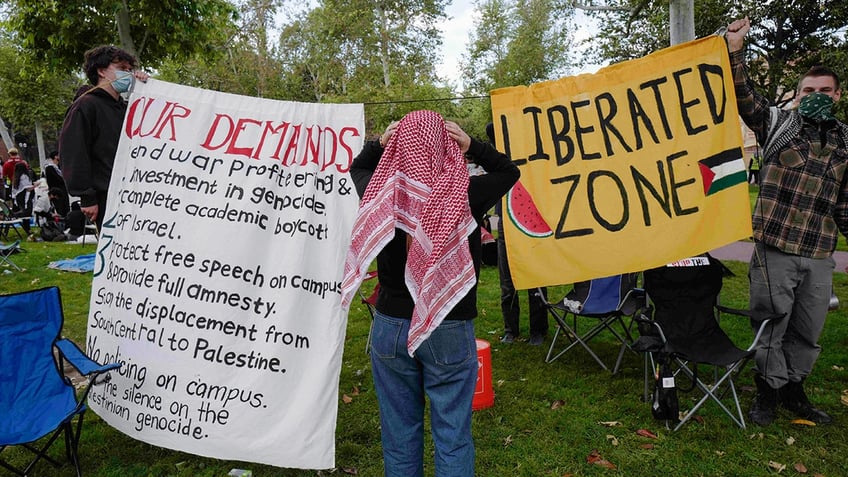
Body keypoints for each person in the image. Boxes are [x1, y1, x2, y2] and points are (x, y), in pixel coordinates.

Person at [341, 110, 519, 476]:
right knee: (452, 434)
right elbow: (508, 171)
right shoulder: (466, 192)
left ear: (399, 148)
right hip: (449, 324)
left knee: (399, 433)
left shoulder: (381, 191)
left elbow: (356, 168)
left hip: (390, 325)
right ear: (446, 144)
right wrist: (473, 146)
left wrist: (380, 144)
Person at [726, 17, 848, 426]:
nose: (816, 96)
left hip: (819, 253)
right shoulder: (777, 123)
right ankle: (767, 391)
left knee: (807, 330)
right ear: (798, 95)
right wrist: (735, 47)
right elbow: (745, 96)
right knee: (770, 325)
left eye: (824, 91)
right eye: (809, 91)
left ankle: (795, 389)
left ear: (837, 94)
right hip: (774, 249)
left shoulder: (846, 141)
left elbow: (844, 202)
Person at [59, 45, 148, 230]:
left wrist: (148, 88)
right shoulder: (85, 106)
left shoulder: (125, 108)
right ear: (101, 71)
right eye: (121, 68)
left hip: (131, 194)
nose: (128, 74)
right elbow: (74, 152)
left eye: (130, 69)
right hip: (105, 196)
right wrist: (87, 197)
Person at [485, 123, 549, 345]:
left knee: (536, 277)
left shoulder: (531, 151)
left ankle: (538, 330)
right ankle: (510, 330)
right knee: (507, 282)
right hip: (505, 221)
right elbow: (490, 127)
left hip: (533, 219)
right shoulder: (497, 155)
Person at [10, 162, 34, 237]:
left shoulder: (16, 177)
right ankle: (14, 215)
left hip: (19, 197)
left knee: (25, 212)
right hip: (24, 197)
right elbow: (28, 188)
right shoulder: (24, 176)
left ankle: (27, 229)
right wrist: (37, 185)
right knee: (27, 212)